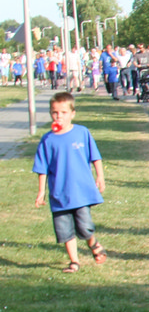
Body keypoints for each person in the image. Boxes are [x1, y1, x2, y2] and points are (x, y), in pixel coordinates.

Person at [33, 92, 107, 273]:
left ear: (72, 113)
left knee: (85, 227)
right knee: (65, 231)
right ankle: (74, 261)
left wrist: (100, 176)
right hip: (59, 194)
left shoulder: (82, 133)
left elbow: (95, 157)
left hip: (80, 192)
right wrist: (41, 191)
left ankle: (93, 243)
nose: (59, 116)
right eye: (55, 112)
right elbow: (42, 168)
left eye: (63, 112)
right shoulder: (47, 140)